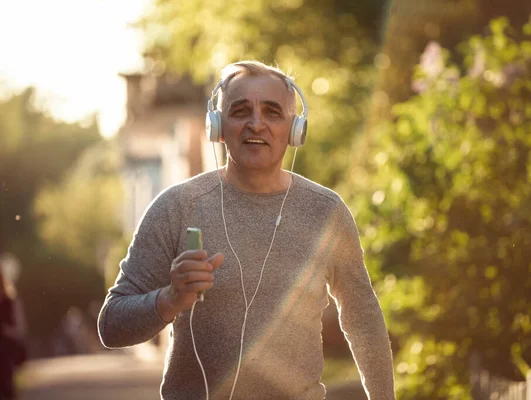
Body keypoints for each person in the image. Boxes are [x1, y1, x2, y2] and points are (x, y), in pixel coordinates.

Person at [98, 60, 395, 399]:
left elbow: (364, 321)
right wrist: (169, 299)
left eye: (272, 113)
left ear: (295, 129)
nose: (256, 124)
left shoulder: (326, 212)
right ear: (218, 126)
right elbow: (111, 327)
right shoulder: (176, 207)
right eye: (240, 111)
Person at [0, 263, 27, 400]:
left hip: (6, 353)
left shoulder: (11, 302)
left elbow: (20, 329)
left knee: (6, 387)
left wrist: (4, 330)